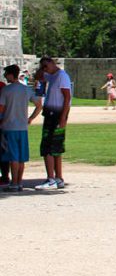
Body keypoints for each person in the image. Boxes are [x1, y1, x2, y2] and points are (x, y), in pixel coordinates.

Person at [0, 65, 42, 192]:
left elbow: (1, 108)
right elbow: (39, 105)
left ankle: (13, 183)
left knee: (13, 157)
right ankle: (19, 182)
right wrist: (30, 118)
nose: (5, 76)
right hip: (22, 127)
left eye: (6, 74)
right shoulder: (26, 89)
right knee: (21, 157)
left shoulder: (6, 90)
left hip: (9, 126)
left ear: (11, 74)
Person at [36, 56, 72, 190]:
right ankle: (58, 178)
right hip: (51, 114)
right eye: (43, 67)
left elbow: (67, 97)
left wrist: (63, 118)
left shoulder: (62, 76)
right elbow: (38, 76)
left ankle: (51, 178)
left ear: (52, 63)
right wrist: (42, 68)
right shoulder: (52, 75)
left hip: (56, 115)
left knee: (49, 147)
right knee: (55, 147)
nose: (45, 69)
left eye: (46, 66)